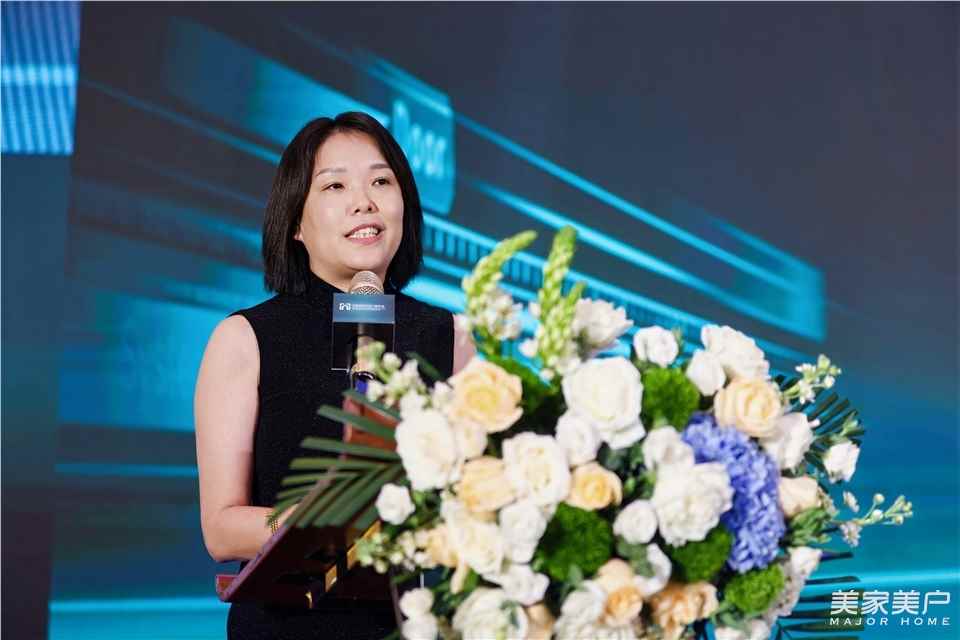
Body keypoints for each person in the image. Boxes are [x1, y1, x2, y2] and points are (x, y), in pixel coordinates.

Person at [194, 112, 475, 639]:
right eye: (335, 186)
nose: (364, 201)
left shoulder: (450, 337)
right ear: (296, 224)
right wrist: (316, 524)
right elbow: (221, 528)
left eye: (381, 182)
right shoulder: (246, 339)